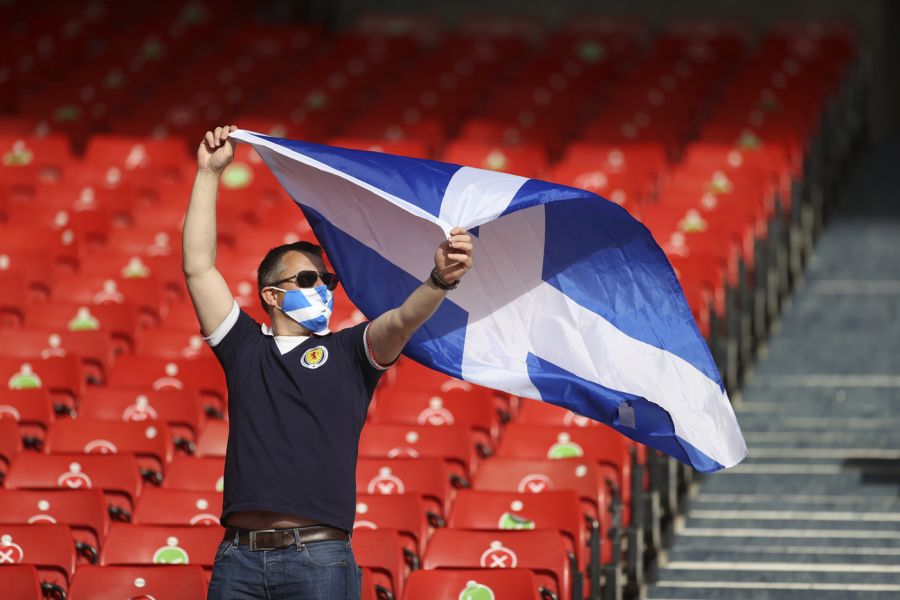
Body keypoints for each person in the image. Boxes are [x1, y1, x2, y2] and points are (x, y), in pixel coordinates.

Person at [182, 125, 474, 599]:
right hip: (238, 559)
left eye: (326, 280)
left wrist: (439, 281)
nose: (321, 287)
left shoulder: (349, 353)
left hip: (318, 558)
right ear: (271, 295)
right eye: (306, 279)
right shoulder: (244, 347)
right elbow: (198, 267)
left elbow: (402, 320)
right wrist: (207, 174)